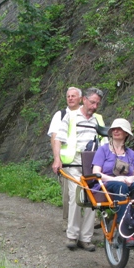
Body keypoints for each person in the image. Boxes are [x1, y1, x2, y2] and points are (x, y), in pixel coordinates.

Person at [91, 118, 134, 248]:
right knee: (120, 185)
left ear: (126, 134)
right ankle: (127, 232)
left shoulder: (131, 154)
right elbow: (97, 173)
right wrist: (115, 179)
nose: (116, 131)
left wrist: (131, 179)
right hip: (107, 184)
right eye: (114, 129)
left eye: (120, 129)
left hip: (128, 184)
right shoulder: (103, 150)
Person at [52, 87, 105, 252]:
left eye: (97, 103)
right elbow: (58, 138)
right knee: (76, 199)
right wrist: (57, 159)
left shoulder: (98, 120)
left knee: (92, 201)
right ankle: (72, 236)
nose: (94, 106)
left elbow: (104, 142)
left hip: (92, 166)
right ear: (84, 100)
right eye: (92, 102)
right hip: (73, 165)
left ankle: (86, 238)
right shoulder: (71, 116)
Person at [48, 87, 82, 220]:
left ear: (80, 98)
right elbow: (54, 138)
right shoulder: (60, 115)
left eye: (73, 96)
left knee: (88, 191)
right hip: (67, 161)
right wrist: (57, 159)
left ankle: (88, 222)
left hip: (84, 160)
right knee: (68, 193)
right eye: (68, 96)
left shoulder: (86, 114)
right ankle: (67, 221)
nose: (70, 98)